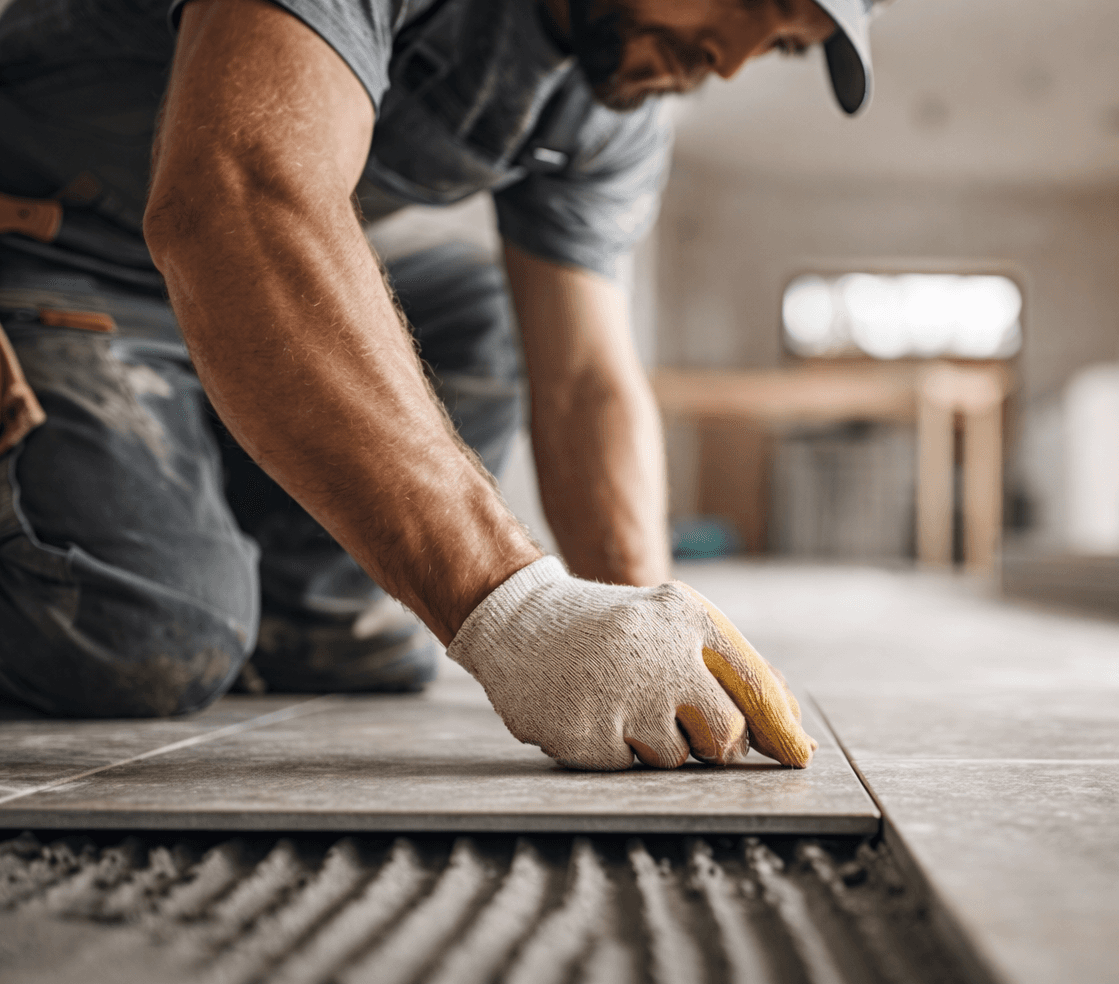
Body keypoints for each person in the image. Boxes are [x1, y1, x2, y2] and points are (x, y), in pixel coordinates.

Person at [0, 0, 879, 770]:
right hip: (47, 251)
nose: (726, 59)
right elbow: (235, 197)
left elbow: (581, 381)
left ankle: (258, 592)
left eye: (781, 44)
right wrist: (514, 607)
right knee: (147, 635)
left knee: (471, 313)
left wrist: (650, 636)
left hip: (218, 299)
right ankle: (166, 565)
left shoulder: (615, 93)